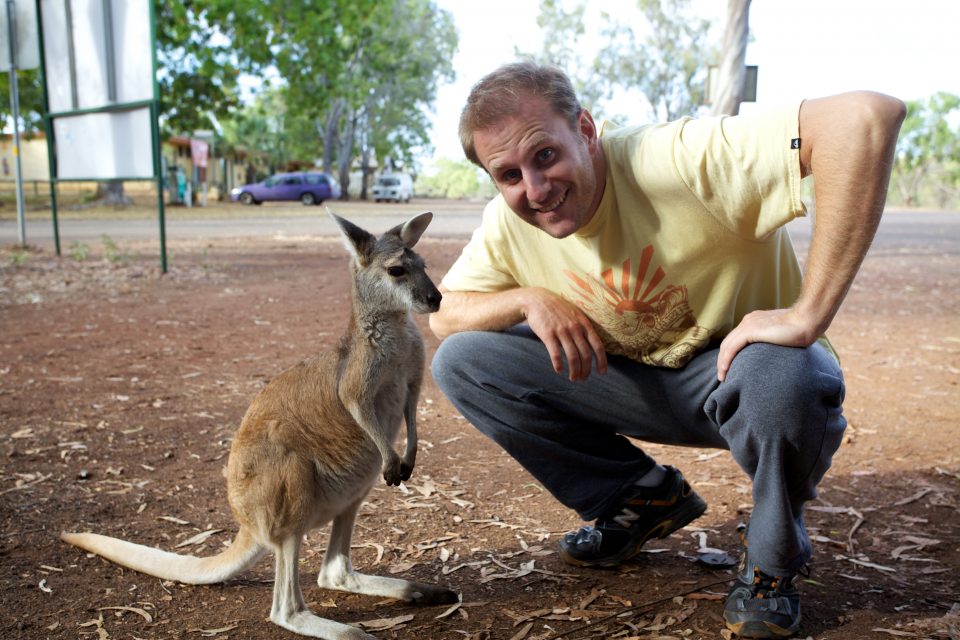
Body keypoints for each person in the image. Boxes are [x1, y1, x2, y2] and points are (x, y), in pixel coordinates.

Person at [429, 62, 904, 639]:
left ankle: (772, 558)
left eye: (545, 155)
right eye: (508, 175)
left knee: (787, 377)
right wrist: (526, 299)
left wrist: (808, 315)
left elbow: (865, 117)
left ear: (585, 128)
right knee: (463, 361)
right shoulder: (511, 224)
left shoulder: (673, 159)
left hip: (743, 378)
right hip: (634, 383)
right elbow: (443, 310)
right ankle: (639, 498)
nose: (535, 189)